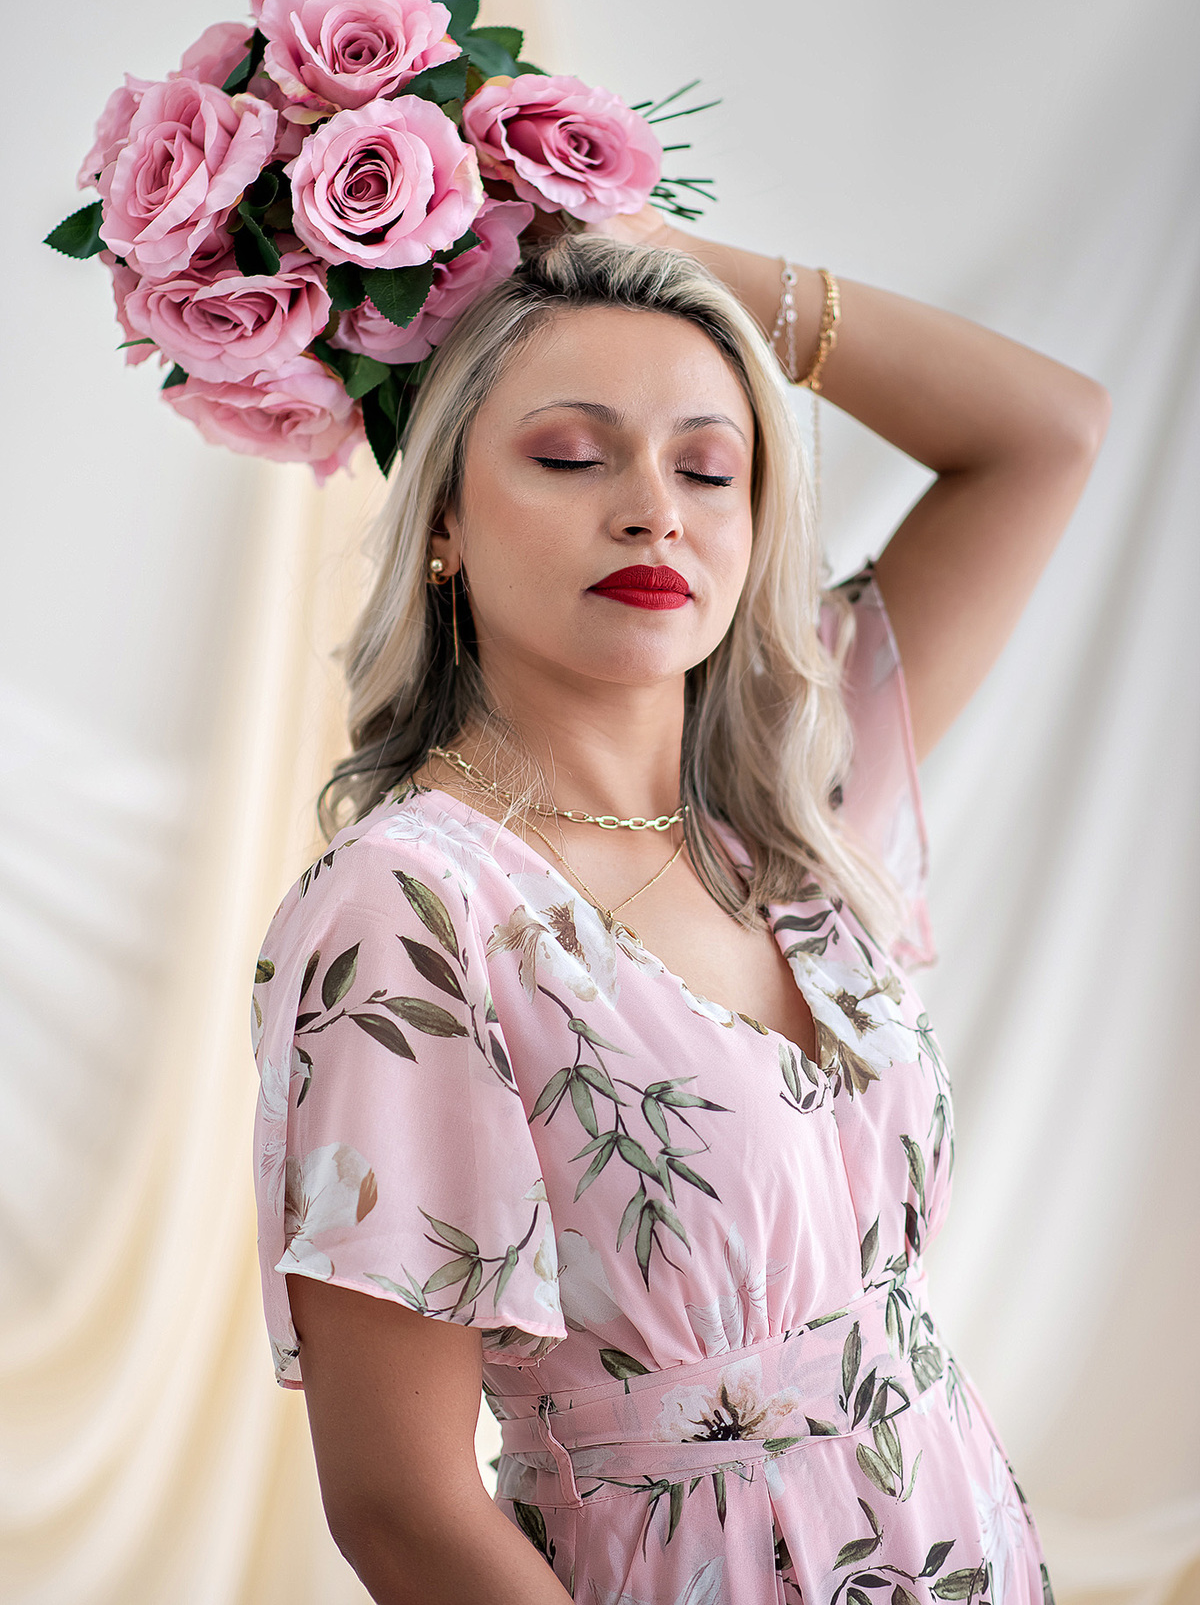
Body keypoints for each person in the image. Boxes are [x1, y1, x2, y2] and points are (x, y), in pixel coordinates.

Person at [251, 218, 1109, 1605]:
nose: (655, 507)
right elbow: (400, 1507)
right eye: (570, 455)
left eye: (709, 468)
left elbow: (1049, 432)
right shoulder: (413, 906)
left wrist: (647, 251)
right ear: (445, 521)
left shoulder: (792, 804)